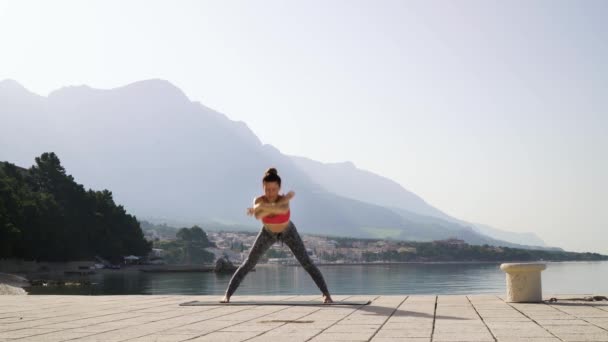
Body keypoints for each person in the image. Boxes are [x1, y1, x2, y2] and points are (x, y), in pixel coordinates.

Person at [221, 168, 333, 303]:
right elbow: (258, 215)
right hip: (267, 233)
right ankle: (227, 295)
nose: (270, 193)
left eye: (274, 189)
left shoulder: (283, 201)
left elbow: (279, 209)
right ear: (263, 188)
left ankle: (326, 294)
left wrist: (263, 208)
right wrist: (261, 208)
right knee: (249, 263)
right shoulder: (259, 199)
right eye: (267, 189)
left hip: (288, 231)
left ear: (279, 188)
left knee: (306, 262)